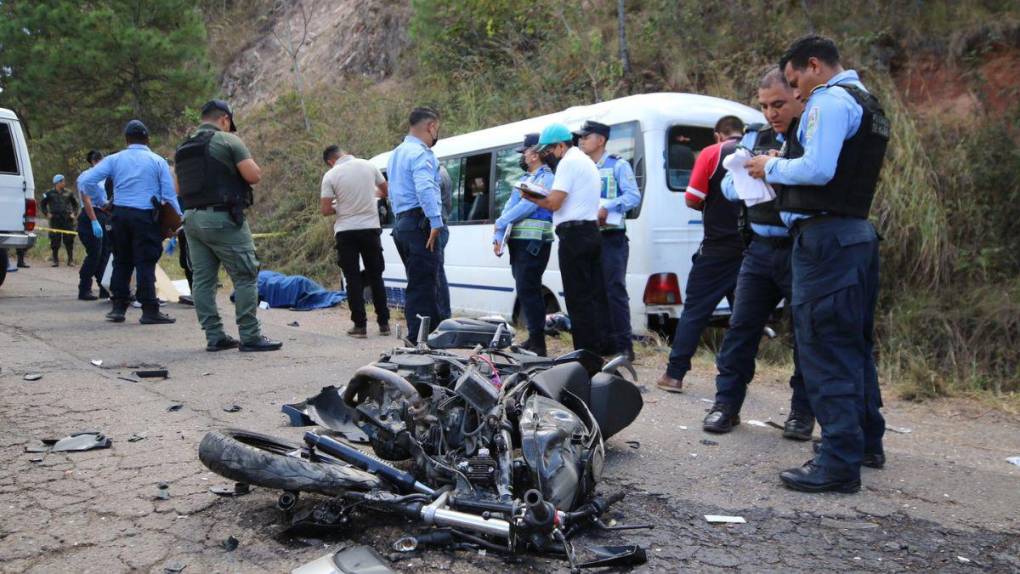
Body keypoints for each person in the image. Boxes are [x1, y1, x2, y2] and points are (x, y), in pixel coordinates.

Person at [745, 36, 889, 493]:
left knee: (824, 348)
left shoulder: (829, 102)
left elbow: (819, 169)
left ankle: (838, 461)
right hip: (855, 237)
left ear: (813, 66)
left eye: (794, 82)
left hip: (826, 241)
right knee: (853, 347)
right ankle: (865, 441)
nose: (797, 93)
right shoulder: (869, 103)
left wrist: (771, 166)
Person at [702, 68, 815, 441]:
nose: (771, 113)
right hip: (759, 248)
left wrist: (778, 169)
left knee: (805, 334)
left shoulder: (812, 137)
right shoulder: (754, 137)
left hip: (801, 247)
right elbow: (727, 187)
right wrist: (750, 173)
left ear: (798, 97)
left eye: (779, 104)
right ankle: (725, 405)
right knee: (741, 328)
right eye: (765, 106)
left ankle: (801, 413)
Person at [175, 99, 281, 352]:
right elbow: (253, 175)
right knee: (245, 275)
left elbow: (178, 189)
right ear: (224, 119)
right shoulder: (227, 141)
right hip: (222, 218)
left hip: (192, 219)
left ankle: (215, 337)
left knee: (202, 280)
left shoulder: (183, 148)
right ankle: (250, 336)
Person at [657, 115, 746, 392]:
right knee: (745, 318)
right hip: (752, 249)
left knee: (695, 311)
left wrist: (711, 205)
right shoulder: (757, 152)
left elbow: (692, 197)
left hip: (717, 248)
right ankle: (738, 376)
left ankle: (674, 374)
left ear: (718, 135)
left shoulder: (712, 153)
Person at [78, 120, 181, 324]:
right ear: (148, 139)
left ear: (126, 139)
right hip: (145, 216)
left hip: (120, 215)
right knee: (145, 262)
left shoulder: (115, 159)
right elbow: (169, 195)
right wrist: (177, 220)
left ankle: (118, 308)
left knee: (121, 261)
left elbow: (84, 181)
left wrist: (102, 203)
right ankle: (149, 310)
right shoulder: (157, 161)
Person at [524, 123, 608, 355]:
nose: (546, 155)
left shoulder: (568, 163)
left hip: (575, 236)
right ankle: (597, 349)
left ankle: (584, 355)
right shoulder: (586, 161)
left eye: (549, 151)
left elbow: (553, 203)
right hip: (590, 232)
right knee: (591, 296)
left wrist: (529, 195)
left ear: (561, 146)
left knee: (577, 298)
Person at [576, 121, 642, 359]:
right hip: (589, 237)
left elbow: (633, 196)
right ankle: (604, 344)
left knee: (615, 291)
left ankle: (624, 346)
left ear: (600, 140)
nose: (582, 140)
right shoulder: (582, 167)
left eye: (586, 136)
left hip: (612, 238)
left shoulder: (618, 165)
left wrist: (609, 207)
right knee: (595, 292)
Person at [493, 132, 555, 356]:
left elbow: (528, 207)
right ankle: (533, 338)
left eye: (525, 152)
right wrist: (498, 234)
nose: (523, 156)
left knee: (529, 289)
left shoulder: (546, 177)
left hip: (534, 243)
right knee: (525, 289)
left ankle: (539, 343)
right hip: (519, 243)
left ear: (535, 153)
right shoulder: (525, 180)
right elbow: (510, 206)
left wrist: (501, 221)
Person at [386, 106, 444, 342]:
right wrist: (436, 220)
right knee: (425, 285)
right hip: (420, 223)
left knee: (417, 281)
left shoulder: (396, 154)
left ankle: (420, 336)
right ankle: (421, 340)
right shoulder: (421, 153)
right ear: (431, 126)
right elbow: (424, 187)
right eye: (436, 129)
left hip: (402, 224)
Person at [320, 144, 390, 337]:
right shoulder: (369, 166)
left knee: (352, 278)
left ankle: (360, 326)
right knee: (376, 276)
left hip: (346, 232)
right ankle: (384, 324)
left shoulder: (331, 175)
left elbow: (325, 209)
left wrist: (340, 206)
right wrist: (369, 198)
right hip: (370, 229)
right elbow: (385, 191)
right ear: (344, 153)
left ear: (330, 161)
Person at [76, 151, 112, 300]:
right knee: (94, 254)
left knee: (105, 254)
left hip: (104, 214)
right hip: (90, 216)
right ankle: (84, 288)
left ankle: (104, 288)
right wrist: (93, 221)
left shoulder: (105, 178)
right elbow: (87, 200)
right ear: (94, 161)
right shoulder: (87, 176)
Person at [40, 174, 79, 267]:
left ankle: (70, 260)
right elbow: (42, 204)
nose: (64, 183)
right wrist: (47, 213)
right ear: (57, 183)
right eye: (62, 181)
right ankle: (55, 260)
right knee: (55, 239)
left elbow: (75, 204)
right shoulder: (48, 193)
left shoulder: (69, 193)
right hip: (55, 219)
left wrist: (74, 213)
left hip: (67, 219)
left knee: (69, 239)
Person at [435, 165, 453, 321]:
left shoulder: (435, 173)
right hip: (442, 226)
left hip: (437, 228)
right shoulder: (442, 170)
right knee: (437, 272)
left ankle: (442, 317)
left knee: (436, 274)